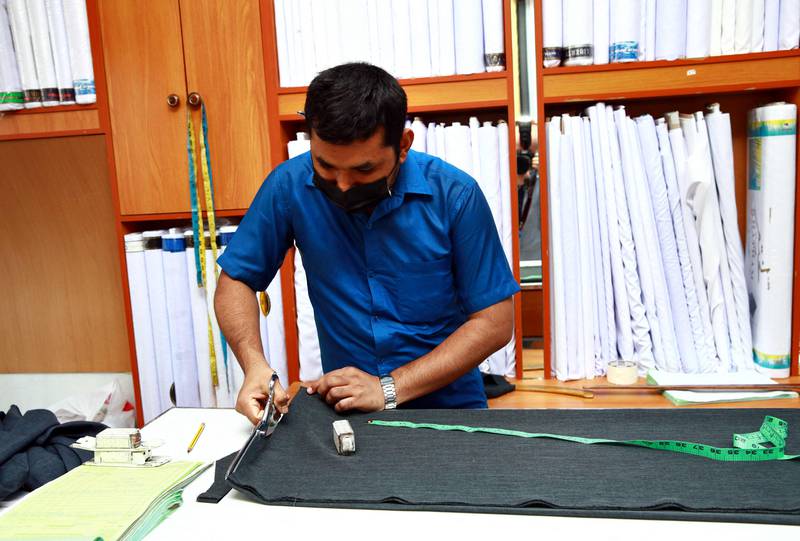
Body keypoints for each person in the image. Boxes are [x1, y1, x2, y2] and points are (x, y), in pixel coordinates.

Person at [215, 62, 519, 424]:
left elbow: (495, 322)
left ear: (403, 145)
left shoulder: (455, 195)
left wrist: (388, 388)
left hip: (450, 409)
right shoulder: (289, 185)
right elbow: (237, 280)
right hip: (347, 410)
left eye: (363, 170)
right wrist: (254, 365)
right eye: (325, 167)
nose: (342, 185)